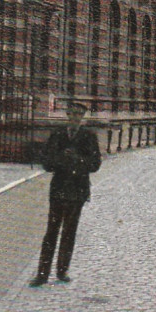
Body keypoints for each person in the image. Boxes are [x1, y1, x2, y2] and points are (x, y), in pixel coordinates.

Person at [29, 101, 101, 286]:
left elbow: (95, 164)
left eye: (79, 114)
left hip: (77, 191)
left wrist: (77, 159)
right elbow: (46, 161)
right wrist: (62, 159)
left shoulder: (89, 136)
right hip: (59, 189)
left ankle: (62, 271)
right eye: (72, 114)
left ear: (82, 117)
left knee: (69, 232)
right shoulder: (57, 134)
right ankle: (42, 274)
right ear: (67, 115)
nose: (75, 118)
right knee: (51, 231)